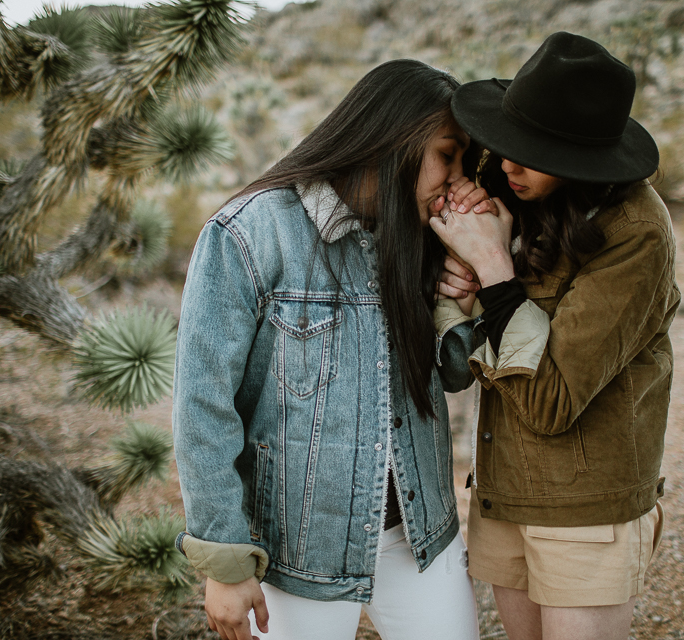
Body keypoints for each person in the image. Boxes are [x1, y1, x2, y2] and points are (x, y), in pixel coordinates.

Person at [171, 59, 482, 640]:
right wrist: (225, 562)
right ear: (393, 139)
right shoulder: (250, 232)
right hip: (296, 553)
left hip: (418, 537)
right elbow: (203, 407)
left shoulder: (420, 237)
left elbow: (454, 376)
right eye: (448, 154)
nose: (456, 176)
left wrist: (462, 289)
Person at [429, 32, 681, 640]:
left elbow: (551, 400)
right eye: (509, 142)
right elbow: (458, 366)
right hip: (503, 490)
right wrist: (462, 237)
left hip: (585, 510)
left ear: (582, 161)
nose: (508, 163)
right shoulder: (509, 182)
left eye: (533, 153)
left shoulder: (636, 231)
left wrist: (492, 266)